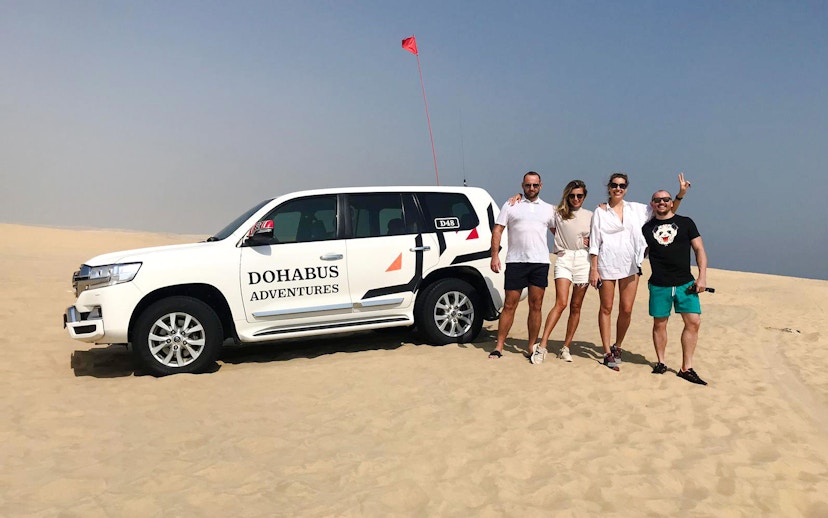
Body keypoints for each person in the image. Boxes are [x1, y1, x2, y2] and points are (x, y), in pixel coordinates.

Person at [588, 173, 689, 371]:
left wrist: (680, 195)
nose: (618, 188)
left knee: (626, 309)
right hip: (606, 265)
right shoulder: (600, 212)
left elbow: (665, 212)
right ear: (609, 187)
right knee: (606, 308)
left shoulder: (637, 209)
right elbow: (594, 242)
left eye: (622, 185)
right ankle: (607, 351)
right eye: (615, 185)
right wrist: (594, 269)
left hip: (631, 265)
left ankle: (618, 346)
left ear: (626, 188)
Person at [642, 190, 708, 385]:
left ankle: (686, 367)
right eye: (657, 200)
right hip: (659, 283)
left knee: (694, 321)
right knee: (660, 323)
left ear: (672, 202)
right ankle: (661, 362)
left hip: (685, 283)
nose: (662, 202)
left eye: (665, 199)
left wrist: (702, 276)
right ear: (652, 204)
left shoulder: (686, 222)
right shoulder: (646, 228)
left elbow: (699, 249)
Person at [489, 171, 556, 364]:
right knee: (510, 304)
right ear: (522, 185)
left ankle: (531, 345)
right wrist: (494, 255)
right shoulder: (511, 205)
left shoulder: (548, 209)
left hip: (540, 262)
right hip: (516, 261)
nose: (531, 188)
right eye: (528, 185)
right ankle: (499, 346)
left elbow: (558, 231)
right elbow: (498, 229)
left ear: (541, 186)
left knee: (536, 305)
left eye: (535, 185)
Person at [536, 180, 592, 362]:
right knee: (561, 303)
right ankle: (542, 345)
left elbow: (600, 237)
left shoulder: (592, 215)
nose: (576, 199)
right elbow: (536, 204)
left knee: (576, 306)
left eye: (580, 196)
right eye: (572, 195)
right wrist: (518, 197)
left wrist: (588, 243)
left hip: (584, 261)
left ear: (584, 197)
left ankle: (566, 347)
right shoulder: (557, 213)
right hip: (564, 259)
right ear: (567, 195)